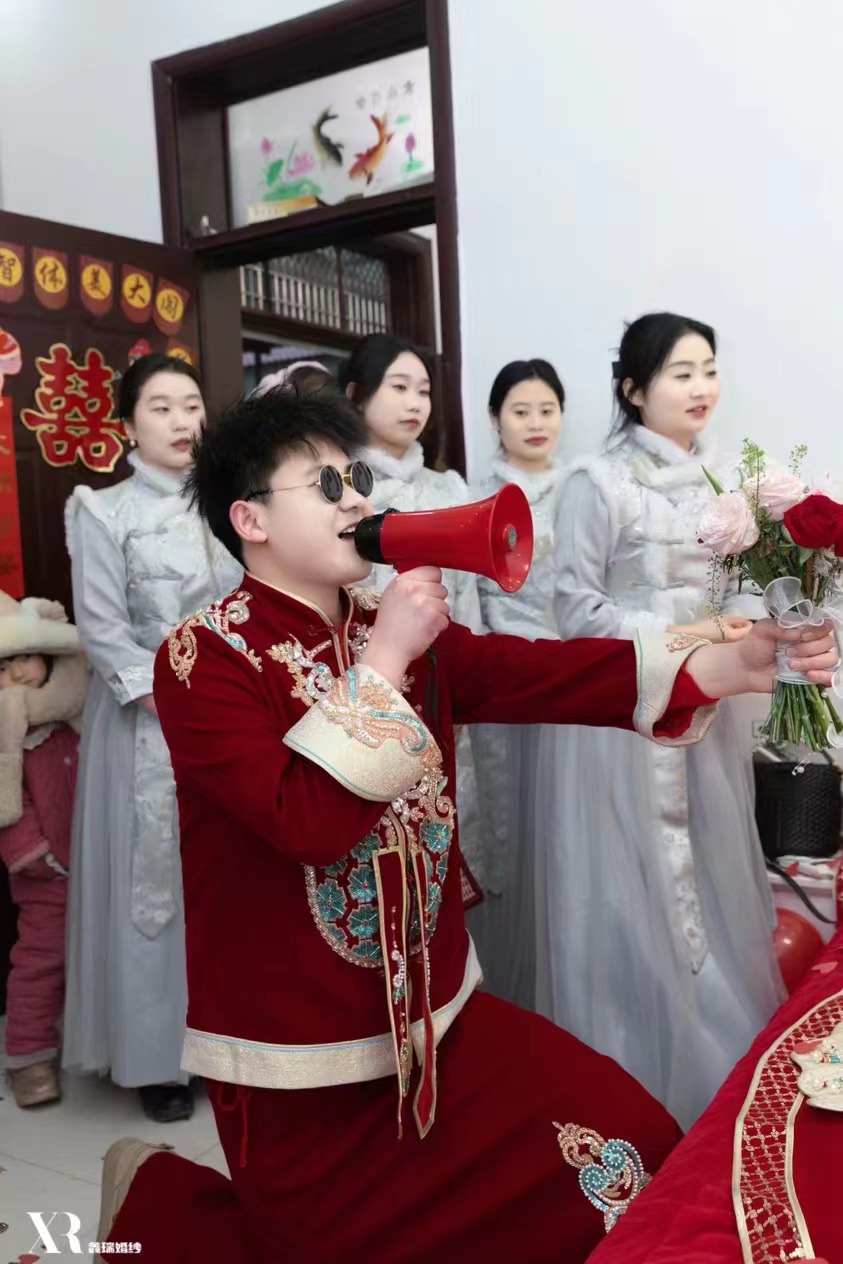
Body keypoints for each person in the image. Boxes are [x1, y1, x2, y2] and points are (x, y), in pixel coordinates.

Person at [94, 382, 836, 1264]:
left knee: (626, 1141)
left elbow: (540, 673)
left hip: (442, 1018)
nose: (357, 500)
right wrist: (386, 659)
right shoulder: (202, 658)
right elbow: (306, 822)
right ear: (249, 519)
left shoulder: (389, 628)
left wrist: (724, 662)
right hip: (301, 1057)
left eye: (356, 477)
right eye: (325, 485)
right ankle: (148, 1193)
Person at [532, 312, 786, 1128]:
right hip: (625, 717)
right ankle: (634, 1074)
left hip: (707, 710)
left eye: (707, 368)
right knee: (629, 887)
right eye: (680, 373)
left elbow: (738, 590)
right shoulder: (596, 482)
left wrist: (754, 622)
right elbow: (575, 609)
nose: (701, 386)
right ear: (633, 390)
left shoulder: (726, 483)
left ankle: (718, 1054)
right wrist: (687, 638)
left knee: (710, 869)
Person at [62, 353, 241, 1123]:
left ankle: (232, 1045)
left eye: (191, 404)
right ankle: (157, 1059)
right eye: (160, 407)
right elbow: (103, 634)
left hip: (238, 718)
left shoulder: (235, 504)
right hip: (148, 722)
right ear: (128, 425)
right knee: (156, 887)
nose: (180, 421)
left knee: (230, 880)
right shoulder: (102, 511)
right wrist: (180, 699)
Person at [340, 333, 485, 893]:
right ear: (355, 395)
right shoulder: (343, 486)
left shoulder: (448, 484)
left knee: (445, 822)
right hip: (372, 676)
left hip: (446, 673)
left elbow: (469, 591)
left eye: (423, 390)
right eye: (398, 387)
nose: (414, 403)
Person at [470, 358, 566, 1006]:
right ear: (494, 419)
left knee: (565, 822)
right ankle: (510, 981)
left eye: (547, 410)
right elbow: (471, 597)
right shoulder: (476, 493)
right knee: (509, 824)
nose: (535, 423)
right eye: (520, 411)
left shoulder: (579, 485)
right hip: (505, 675)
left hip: (574, 666)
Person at [0, 593, 87, 1107]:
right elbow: (9, 807)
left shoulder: (71, 714)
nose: (18, 674)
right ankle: (28, 1057)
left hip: (93, 862)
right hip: (46, 873)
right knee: (42, 959)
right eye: (3, 667)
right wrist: (37, 857)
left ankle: (87, 1035)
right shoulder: (8, 734)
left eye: (25, 658)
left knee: (94, 951)